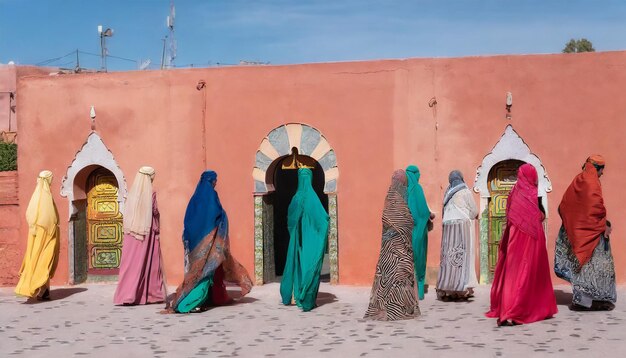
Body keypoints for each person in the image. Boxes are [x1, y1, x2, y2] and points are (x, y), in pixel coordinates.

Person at [166, 170, 253, 313]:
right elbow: (216, 217)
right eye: (214, 180)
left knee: (197, 273)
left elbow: (189, 224)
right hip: (209, 245)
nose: (216, 182)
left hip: (195, 245)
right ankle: (186, 304)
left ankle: (206, 299)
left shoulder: (194, 200)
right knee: (205, 275)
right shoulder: (212, 196)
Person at [486, 163, 557, 326]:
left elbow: (509, 214)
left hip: (514, 240)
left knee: (514, 275)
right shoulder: (531, 194)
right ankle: (514, 311)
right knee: (528, 274)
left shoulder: (513, 193)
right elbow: (539, 215)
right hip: (531, 242)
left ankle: (508, 311)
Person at [555, 155, 616, 310]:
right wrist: (603, 223)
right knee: (595, 268)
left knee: (581, 268)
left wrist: (573, 225)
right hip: (593, 236)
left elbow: (564, 205)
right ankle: (593, 302)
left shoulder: (579, 179)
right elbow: (595, 207)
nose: (602, 174)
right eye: (602, 170)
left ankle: (582, 301)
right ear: (599, 168)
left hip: (576, 235)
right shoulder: (593, 182)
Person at [364, 169, 421, 321]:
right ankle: (398, 309)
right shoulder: (396, 199)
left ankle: (396, 308)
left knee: (391, 276)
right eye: (403, 183)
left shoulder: (390, 198)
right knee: (398, 276)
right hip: (397, 249)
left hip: (390, 249)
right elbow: (399, 221)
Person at [114, 166, 165, 305]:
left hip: (132, 235)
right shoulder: (151, 194)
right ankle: (151, 295)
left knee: (130, 264)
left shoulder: (133, 193)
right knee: (149, 263)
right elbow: (154, 212)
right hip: (147, 235)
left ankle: (126, 295)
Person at [280, 168, 329, 312]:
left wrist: (295, 232)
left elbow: (290, 219)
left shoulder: (295, 198)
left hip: (296, 240)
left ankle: (294, 296)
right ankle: (306, 297)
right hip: (308, 241)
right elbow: (322, 220)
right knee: (309, 265)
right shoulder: (312, 198)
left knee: (295, 265)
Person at [15, 170, 60, 300]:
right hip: (46, 234)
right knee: (44, 260)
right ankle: (38, 287)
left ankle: (44, 290)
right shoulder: (45, 196)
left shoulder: (37, 195)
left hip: (37, 234)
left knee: (40, 259)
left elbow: (31, 214)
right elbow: (49, 218)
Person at [436, 170, 479, 301]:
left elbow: (444, 212)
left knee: (449, 258)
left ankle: (447, 288)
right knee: (462, 257)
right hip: (462, 226)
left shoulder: (447, 193)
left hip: (448, 226)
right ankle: (462, 288)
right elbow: (474, 211)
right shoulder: (465, 191)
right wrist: (469, 217)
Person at [405, 164, 434, 300]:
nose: (419, 176)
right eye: (418, 174)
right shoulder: (417, 188)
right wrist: (429, 215)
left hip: (404, 232)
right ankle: (419, 292)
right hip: (418, 232)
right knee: (419, 259)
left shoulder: (401, 189)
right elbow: (422, 211)